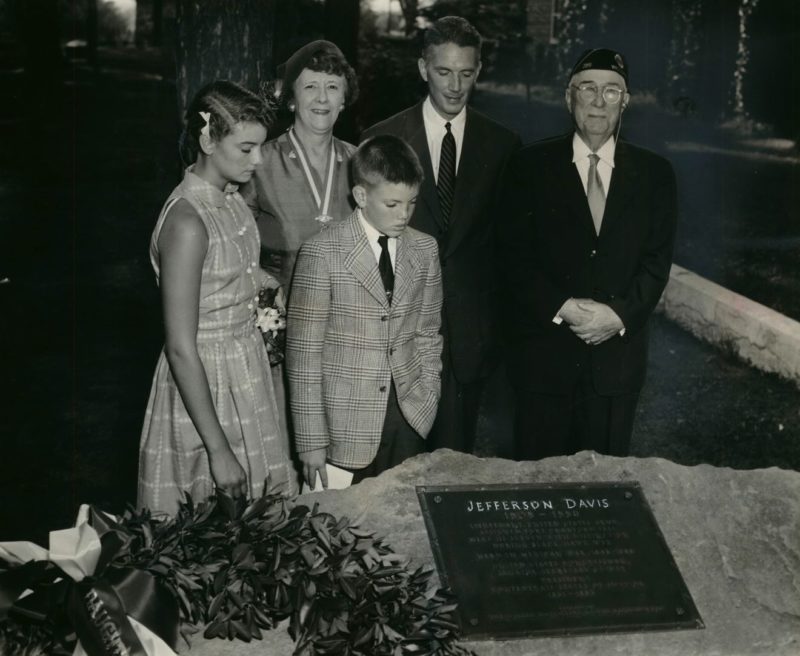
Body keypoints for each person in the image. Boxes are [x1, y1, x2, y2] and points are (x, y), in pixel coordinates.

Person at [500, 48, 678, 459]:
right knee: (536, 493)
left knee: (607, 496)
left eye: (612, 91)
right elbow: (512, 258)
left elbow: (656, 263)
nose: (599, 101)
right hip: (544, 362)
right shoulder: (529, 166)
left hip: (616, 365)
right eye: (588, 89)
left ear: (626, 101)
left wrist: (617, 316)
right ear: (569, 98)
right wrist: (563, 306)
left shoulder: (654, 175)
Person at [361, 16, 520, 455]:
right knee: (396, 462)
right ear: (422, 69)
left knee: (456, 462)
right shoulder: (383, 138)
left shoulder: (503, 146)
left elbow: (508, 246)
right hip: (400, 329)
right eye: (444, 72)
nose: (455, 86)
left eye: (466, 73)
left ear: (479, 71)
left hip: (471, 334)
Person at [138, 81, 297, 515]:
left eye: (261, 147)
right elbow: (180, 346)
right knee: (211, 527)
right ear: (208, 139)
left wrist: (263, 282)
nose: (258, 160)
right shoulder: (187, 222)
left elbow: (226, 269)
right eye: (246, 148)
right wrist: (219, 449)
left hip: (245, 373)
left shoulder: (231, 200)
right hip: (205, 386)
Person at [286, 135, 443, 487]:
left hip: (409, 419)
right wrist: (311, 441)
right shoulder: (321, 252)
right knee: (337, 533)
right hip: (342, 428)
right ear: (361, 196)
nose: (404, 215)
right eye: (392, 204)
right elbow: (303, 356)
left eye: (411, 203)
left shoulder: (425, 249)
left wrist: (428, 394)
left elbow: (428, 332)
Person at [241, 40, 359, 289]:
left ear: (343, 100)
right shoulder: (258, 163)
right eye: (310, 86)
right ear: (292, 99)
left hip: (347, 315)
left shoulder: (361, 163)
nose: (322, 98)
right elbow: (235, 248)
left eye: (333, 86)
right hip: (279, 312)